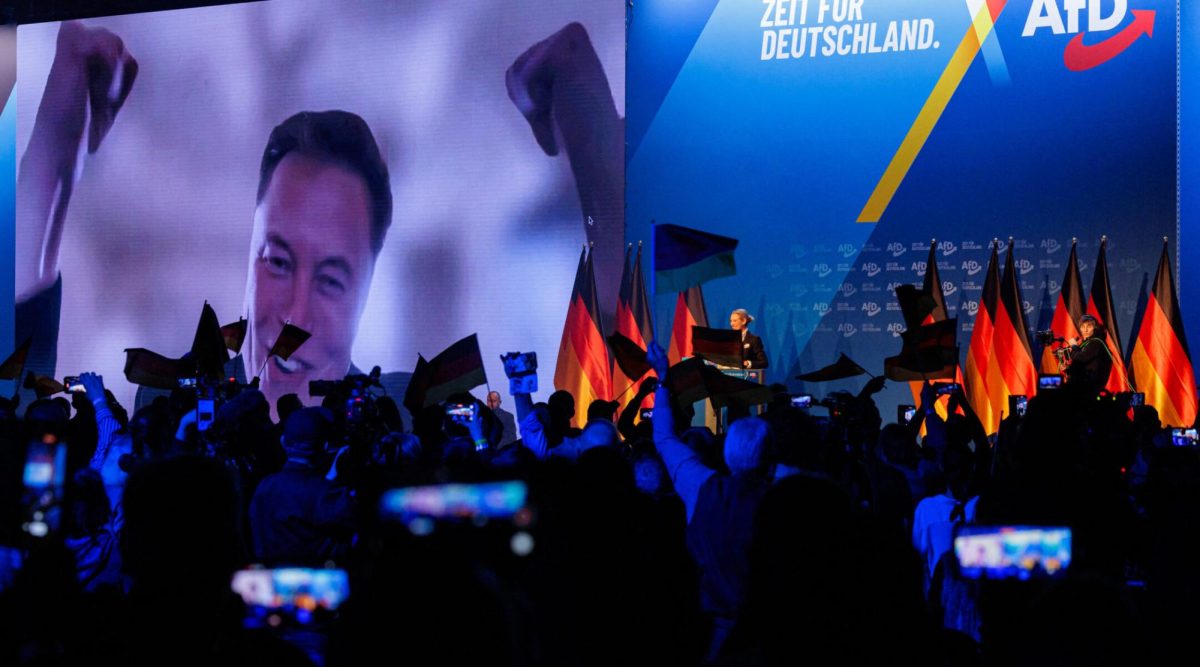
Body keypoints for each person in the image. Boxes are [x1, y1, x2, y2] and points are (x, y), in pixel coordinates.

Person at [16, 20, 624, 417]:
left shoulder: (403, 419)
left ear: (365, 287)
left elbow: (614, 363)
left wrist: (580, 92)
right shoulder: (175, 410)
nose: (296, 313)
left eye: (332, 278)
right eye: (278, 261)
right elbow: (22, 337)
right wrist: (68, 93)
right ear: (248, 254)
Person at [1064, 314, 1114, 395]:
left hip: (1089, 388)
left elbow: (1080, 358)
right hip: (1084, 386)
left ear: (1095, 328)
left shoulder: (1096, 342)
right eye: (1083, 327)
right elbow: (1081, 364)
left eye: (1089, 326)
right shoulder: (1087, 343)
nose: (1085, 330)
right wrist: (1067, 369)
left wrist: (1074, 345)